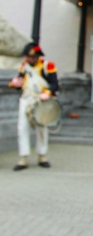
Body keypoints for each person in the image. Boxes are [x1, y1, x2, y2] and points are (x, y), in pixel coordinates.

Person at [9, 42, 59, 171]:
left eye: (29, 57)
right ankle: (23, 158)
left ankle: (42, 156)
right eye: (26, 56)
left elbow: (55, 84)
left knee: (42, 129)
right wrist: (13, 84)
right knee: (22, 128)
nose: (27, 59)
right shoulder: (24, 66)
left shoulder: (48, 66)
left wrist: (47, 93)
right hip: (26, 99)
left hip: (41, 101)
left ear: (36, 56)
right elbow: (18, 83)